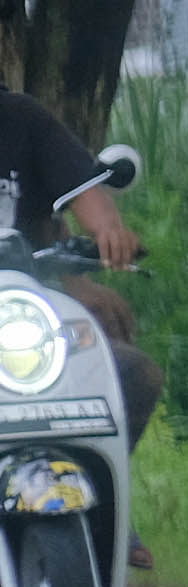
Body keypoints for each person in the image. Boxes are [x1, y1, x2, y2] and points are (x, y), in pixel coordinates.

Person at [0, 84, 159, 451]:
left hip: (26, 318)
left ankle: (93, 479)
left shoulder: (22, 118)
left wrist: (109, 231)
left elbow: (83, 191)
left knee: (133, 374)